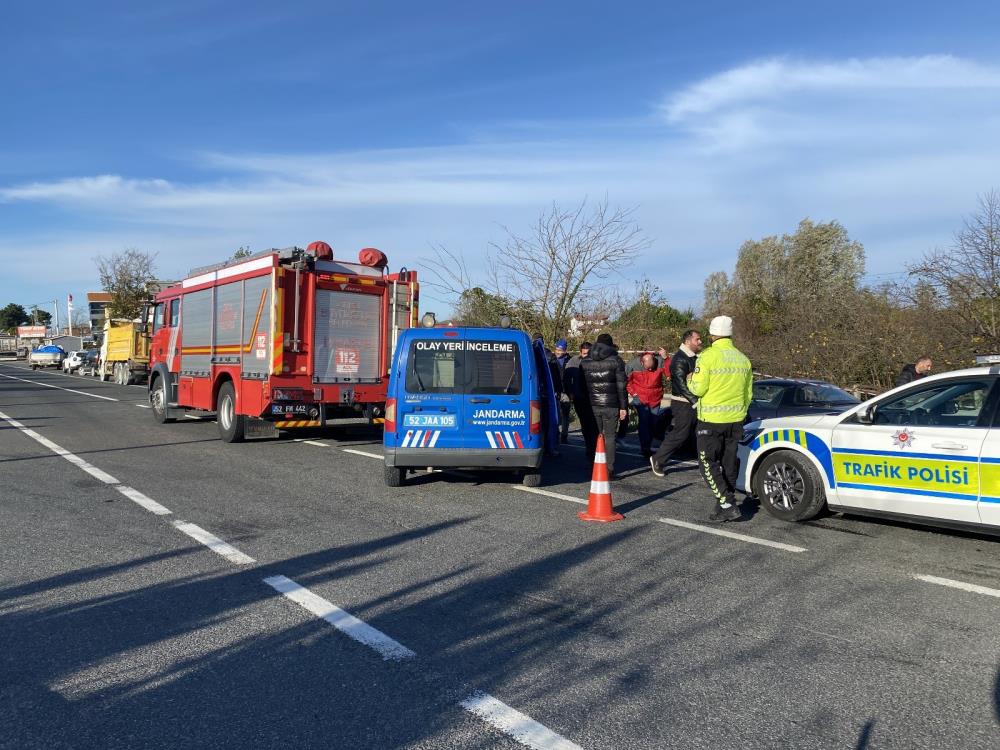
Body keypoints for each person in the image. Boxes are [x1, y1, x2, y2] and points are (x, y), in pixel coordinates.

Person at [687, 316, 752, 523]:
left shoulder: (707, 357)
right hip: (735, 420)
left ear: (712, 334)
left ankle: (726, 502)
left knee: (707, 463)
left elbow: (698, 388)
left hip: (711, 419)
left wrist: (690, 379)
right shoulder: (743, 359)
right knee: (729, 463)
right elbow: (748, 394)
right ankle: (723, 505)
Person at [650, 329, 702, 476]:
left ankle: (707, 461)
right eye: (697, 339)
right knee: (681, 433)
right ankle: (658, 459)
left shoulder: (693, 357)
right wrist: (694, 401)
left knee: (700, 432)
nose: (700, 342)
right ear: (687, 341)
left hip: (692, 401)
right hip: (683, 403)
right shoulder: (680, 359)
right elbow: (680, 384)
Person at [580, 332, 627, 477]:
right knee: (610, 437)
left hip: (592, 404)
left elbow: (582, 386)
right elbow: (621, 386)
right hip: (611, 404)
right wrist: (624, 407)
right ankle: (609, 468)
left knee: (594, 435)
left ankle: (593, 465)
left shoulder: (585, 361)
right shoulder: (616, 360)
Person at [627, 352, 668, 458]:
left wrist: (666, 358)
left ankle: (649, 443)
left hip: (655, 397)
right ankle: (645, 448)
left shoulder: (660, 362)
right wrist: (634, 393)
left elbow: (669, 374)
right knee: (644, 423)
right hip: (640, 398)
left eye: (652, 367)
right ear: (642, 362)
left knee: (654, 422)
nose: (650, 369)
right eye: (648, 368)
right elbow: (626, 381)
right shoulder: (632, 365)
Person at [564, 341, 598, 457]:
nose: (586, 356)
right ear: (580, 352)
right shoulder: (573, 362)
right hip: (579, 397)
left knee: (594, 424)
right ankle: (589, 446)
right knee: (585, 424)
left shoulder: (597, 362)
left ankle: (594, 447)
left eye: (588, 353)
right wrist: (570, 393)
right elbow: (567, 378)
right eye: (584, 354)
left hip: (593, 398)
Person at [553, 339, 572, 443]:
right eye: (556, 349)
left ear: (565, 350)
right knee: (555, 414)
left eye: (560, 350)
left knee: (565, 415)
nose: (557, 352)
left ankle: (564, 436)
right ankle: (555, 434)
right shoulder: (552, 360)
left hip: (565, 391)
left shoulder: (570, 360)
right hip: (555, 390)